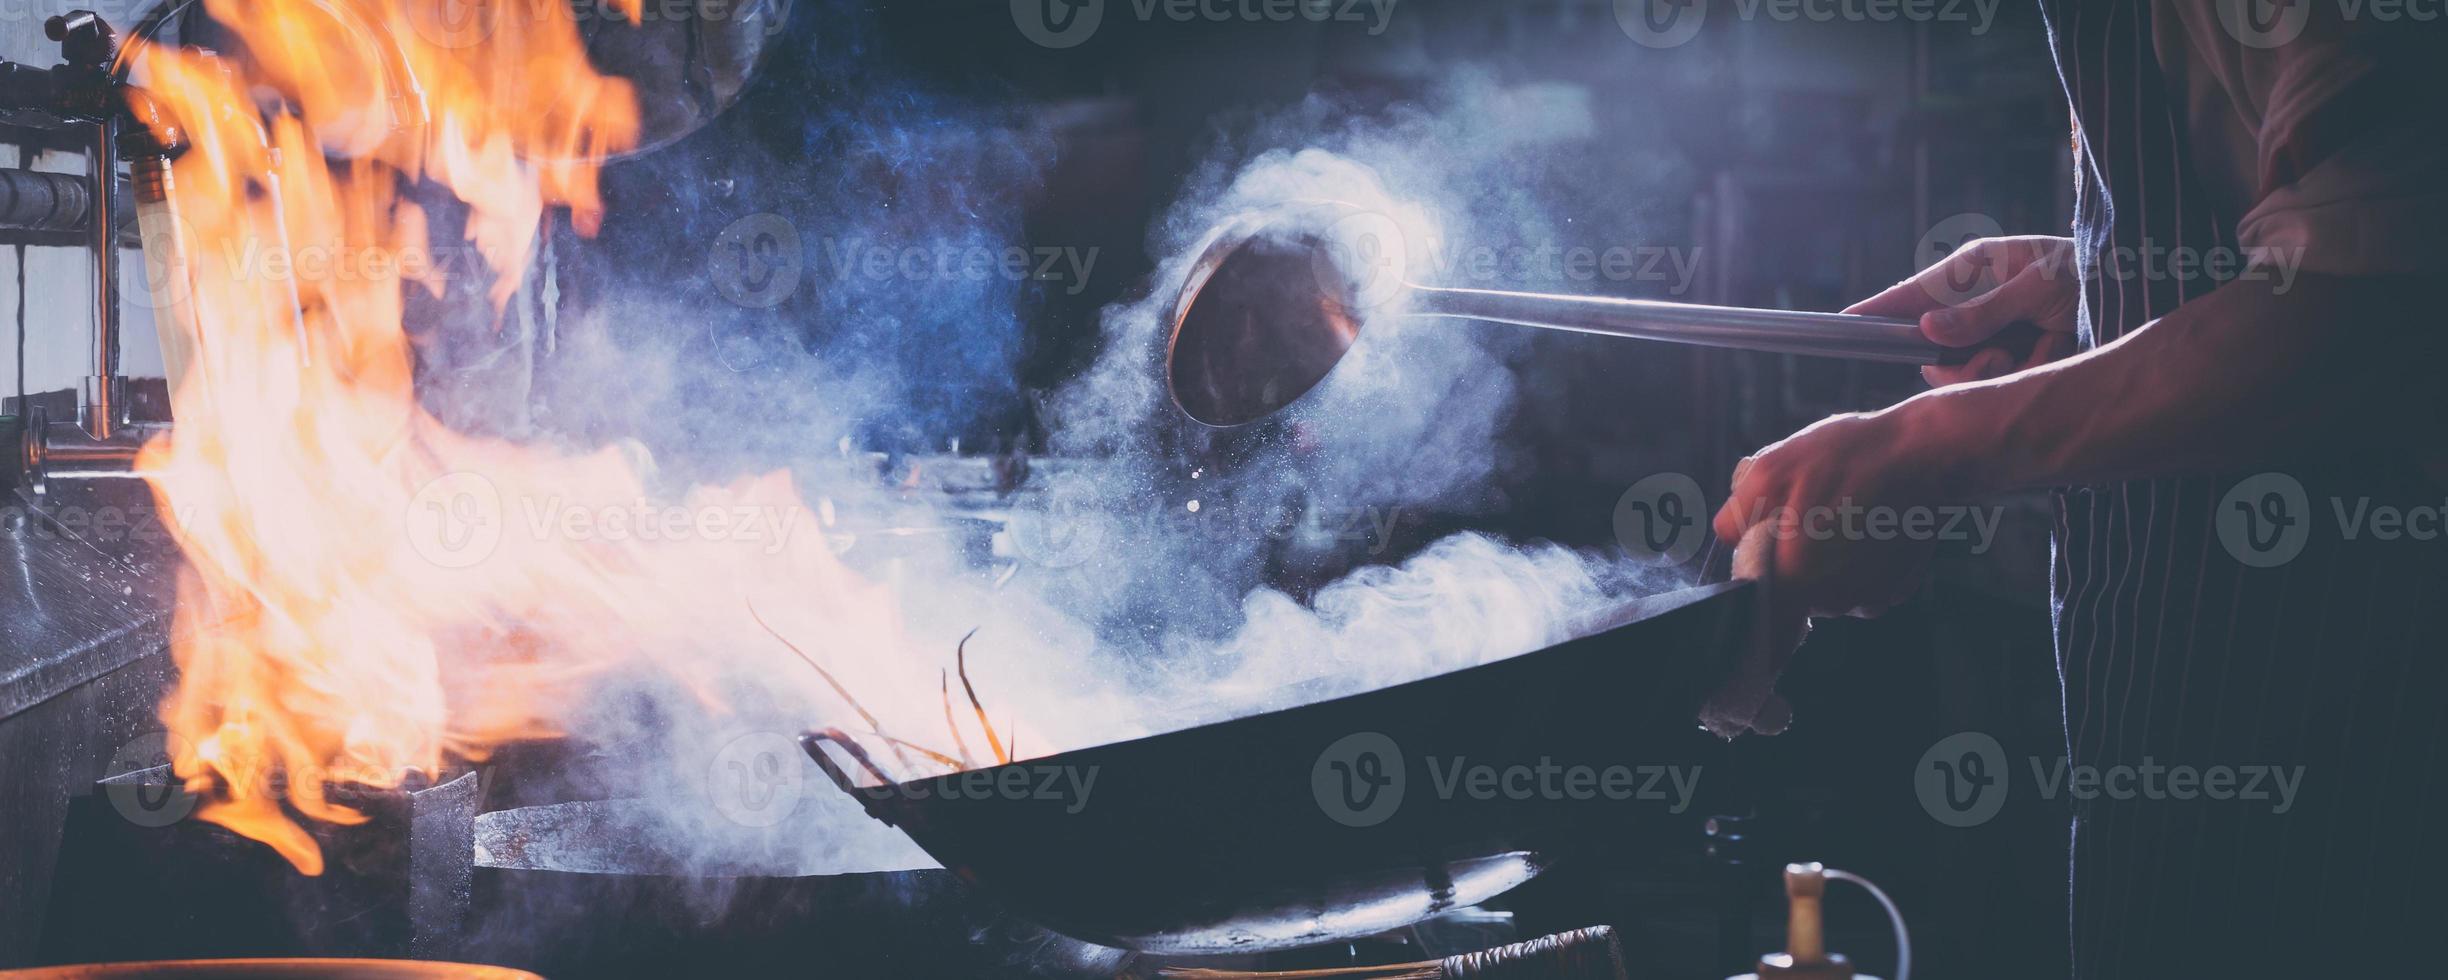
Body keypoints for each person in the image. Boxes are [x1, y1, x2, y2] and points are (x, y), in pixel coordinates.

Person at [1711, 4, 2446, 976]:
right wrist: (2102, 280)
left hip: (2362, 729)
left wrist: (1940, 445)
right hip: (2167, 696)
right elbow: (2289, 215)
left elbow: (2379, 295)